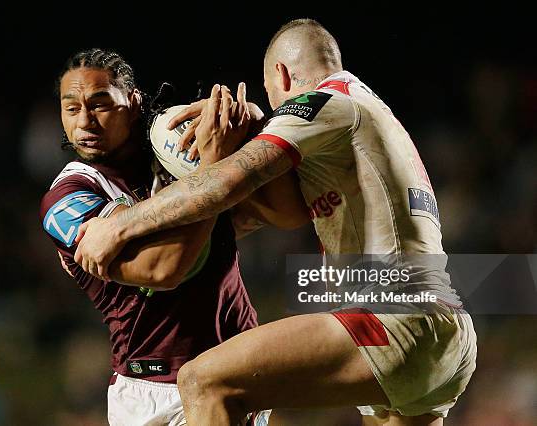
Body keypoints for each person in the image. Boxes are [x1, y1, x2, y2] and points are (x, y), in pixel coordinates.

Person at [73, 20, 478, 426]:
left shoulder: (324, 103)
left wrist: (119, 227)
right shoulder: (369, 109)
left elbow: (227, 182)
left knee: (203, 381)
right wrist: (247, 123)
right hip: (444, 333)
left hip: (392, 318)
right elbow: (283, 210)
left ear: (281, 76)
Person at [39, 48, 301, 425]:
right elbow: (163, 269)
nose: (86, 122)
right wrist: (213, 168)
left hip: (240, 370)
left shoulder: (177, 151)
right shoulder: (68, 196)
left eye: (100, 105)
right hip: (158, 391)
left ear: (133, 102)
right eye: (72, 109)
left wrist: (253, 129)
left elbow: (286, 213)